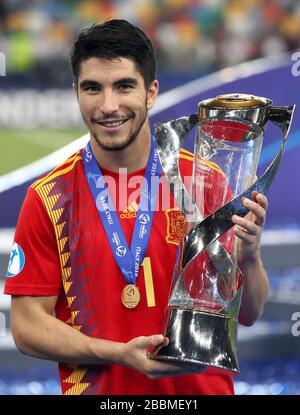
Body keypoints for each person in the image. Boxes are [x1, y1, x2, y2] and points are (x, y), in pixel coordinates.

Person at [4, 19, 269, 395]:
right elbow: (27, 326)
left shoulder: (206, 181)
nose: (108, 106)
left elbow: (249, 313)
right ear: (76, 92)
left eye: (124, 86)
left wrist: (251, 257)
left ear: (151, 92)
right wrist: (117, 354)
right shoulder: (50, 197)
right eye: (93, 88)